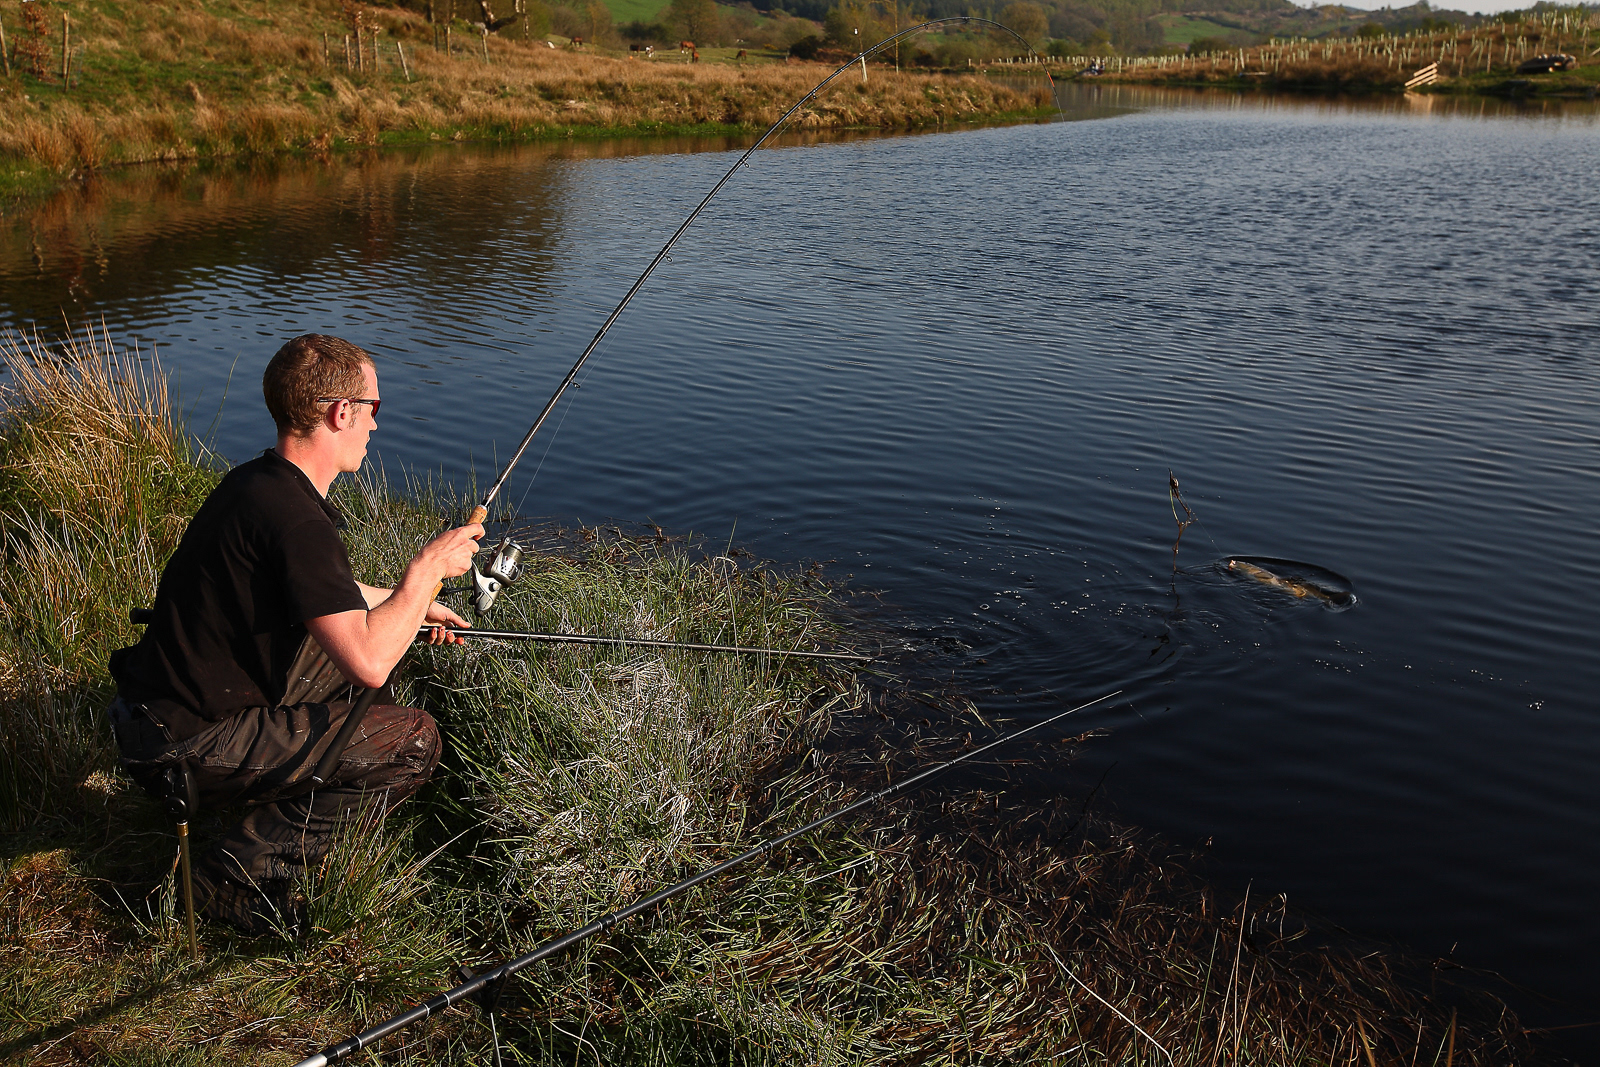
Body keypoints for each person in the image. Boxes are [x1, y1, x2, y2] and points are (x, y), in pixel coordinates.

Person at [107, 334, 484, 934]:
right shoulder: (298, 520)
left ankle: (290, 801)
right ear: (341, 413)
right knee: (412, 740)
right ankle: (228, 884)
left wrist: (404, 607)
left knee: (390, 644)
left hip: (149, 709)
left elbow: (317, 590)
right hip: (178, 743)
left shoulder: (257, 484)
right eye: (374, 411)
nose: (375, 428)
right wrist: (424, 575)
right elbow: (367, 663)